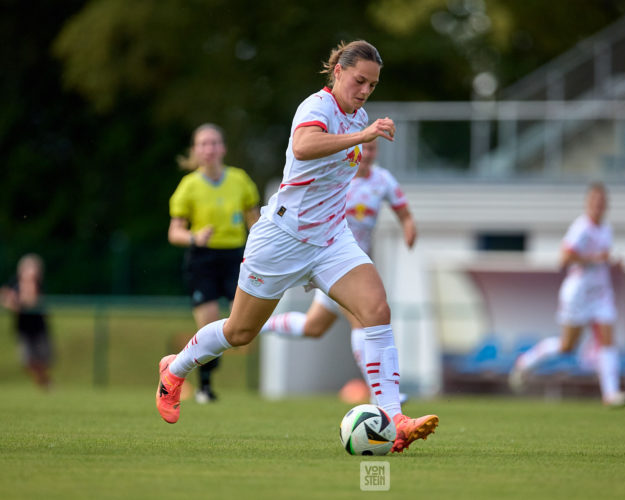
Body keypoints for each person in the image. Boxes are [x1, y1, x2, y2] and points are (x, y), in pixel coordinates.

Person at [155, 40, 438, 453]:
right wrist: (364, 134)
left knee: (376, 309)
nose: (365, 91)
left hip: (331, 239)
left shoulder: (356, 115)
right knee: (240, 331)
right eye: (359, 80)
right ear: (338, 72)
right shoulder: (317, 108)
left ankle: (394, 419)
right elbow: (305, 146)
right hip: (282, 239)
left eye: (373, 86)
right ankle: (174, 369)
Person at [259, 139, 416, 404]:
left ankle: (261, 325)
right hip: (332, 261)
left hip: (354, 265)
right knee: (363, 321)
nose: (367, 154)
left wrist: (410, 229)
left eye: (373, 149)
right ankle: (385, 395)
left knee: (313, 327)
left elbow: (405, 214)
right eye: (364, 148)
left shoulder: (383, 180)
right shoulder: (338, 175)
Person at [509, 182, 625, 407]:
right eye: (594, 201)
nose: (598, 206)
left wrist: (612, 263)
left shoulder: (606, 229)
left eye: (601, 202)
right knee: (567, 346)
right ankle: (526, 362)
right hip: (578, 293)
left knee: (607, 340)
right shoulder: (581, 228)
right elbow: (564, 259)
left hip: (601, 293)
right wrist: (596, 259)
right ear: (587, 204)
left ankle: (611, 394)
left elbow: (602, 259)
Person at [168, 123, 261, 403]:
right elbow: (174, 232)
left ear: (223, 147)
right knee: (206, 325)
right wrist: (195, 237)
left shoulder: (240, 180)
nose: (209, 149)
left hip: (235, 257)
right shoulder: (188, 186)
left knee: (239, 323)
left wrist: (262, 250)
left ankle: (212, 357)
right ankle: (205, 387)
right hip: (203, 260)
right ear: (195, 150)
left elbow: (255, 223)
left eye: (214, 143)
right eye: (203, 144)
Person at [0, 254, 53, 389]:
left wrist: (16, 302)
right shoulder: (14, 283)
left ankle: (45, 382)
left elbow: (31, 301)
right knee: (27, 361)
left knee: (43, 360)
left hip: (38, 327)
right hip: (23, 328)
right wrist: (11, 301)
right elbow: (5, 296)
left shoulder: (38, 285)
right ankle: (45, 383)